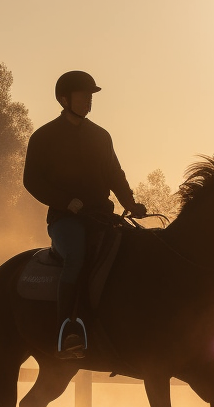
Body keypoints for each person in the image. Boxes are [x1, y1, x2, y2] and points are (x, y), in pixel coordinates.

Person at [22, 70, 147, 359]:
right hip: (65, 220)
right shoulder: (44, 137)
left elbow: (115, 174)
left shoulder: (101, 136)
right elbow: (32, 181)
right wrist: (66, 202)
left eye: (91, 97)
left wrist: (130, 202)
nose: (89, 101)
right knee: (76, 256)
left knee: (136, 251)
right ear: (65, 99)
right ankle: (66, 332)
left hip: (101, 217)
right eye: (84, 96)